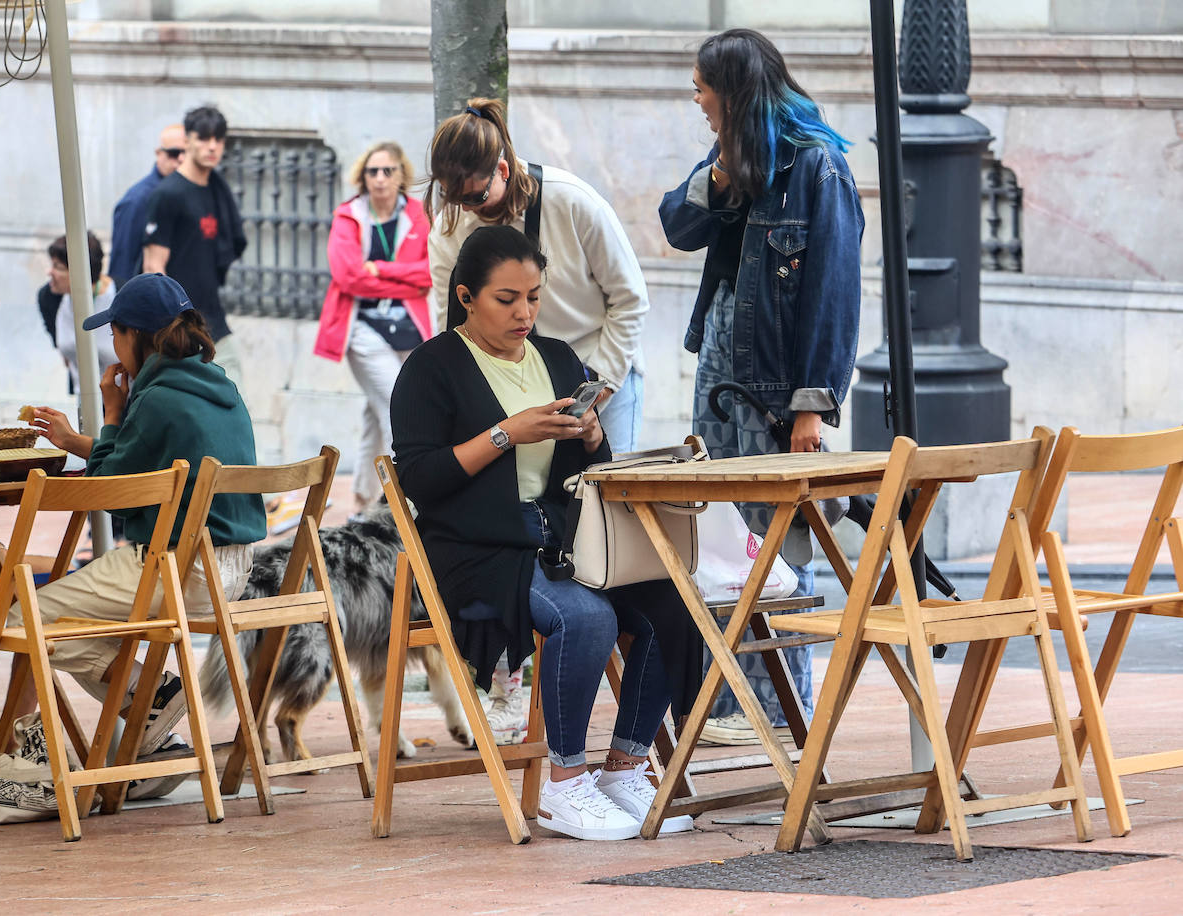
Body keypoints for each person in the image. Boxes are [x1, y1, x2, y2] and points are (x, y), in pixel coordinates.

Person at [390, 225, 701, 841]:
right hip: (477, 548)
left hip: (566, 539)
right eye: (507, 299)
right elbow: (421, 479)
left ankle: (625, 766)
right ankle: (564, 782)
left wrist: (590, 437)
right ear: (465, 297)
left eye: (533, 296)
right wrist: (509, 432)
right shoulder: (432, 368)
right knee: (586, 618)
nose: (524, 312)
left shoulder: (558, 358)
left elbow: (590, 473)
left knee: (679, 606)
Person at [659, 29, 863, 747]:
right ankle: (727, 704)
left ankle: (783, 706)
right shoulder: (734, 165)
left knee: (776, 545)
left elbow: (834, 297)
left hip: (776, 397)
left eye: (702, 86)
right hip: (718, 383)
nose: (697, 100)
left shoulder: (819, 169)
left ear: (733, 90)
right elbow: (675, 227)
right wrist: (716, 179)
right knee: (718, 538)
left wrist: (812, 404)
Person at [22, 272, 265, 798]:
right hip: (230, 570)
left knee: (25, 616)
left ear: (135, 335)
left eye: (114, 333)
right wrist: (81, 442)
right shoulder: (218, 386)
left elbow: (110, 492)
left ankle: (149, 691)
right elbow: (144, 468)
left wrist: (112, 414)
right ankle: (151, 744)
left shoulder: (153, 399)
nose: (112, 345)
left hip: (176, 566)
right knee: (82, 620)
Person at [425, 98, 650, 457]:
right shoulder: (450, 228)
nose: (463, 208)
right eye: (450, 196)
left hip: (601, 368)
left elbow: (630, 298)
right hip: (519, 392)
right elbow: (449, 322)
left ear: (502, 169)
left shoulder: (572, 201)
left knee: (610, 501)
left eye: (474, 196)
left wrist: (599, 385)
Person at [313, 141, 432, 519]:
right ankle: (407, 505)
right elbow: (348, 277)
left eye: (388, 171)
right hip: (361, 327)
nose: (380, 179)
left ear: (401, 176)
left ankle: (363, 501)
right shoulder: (349, 215)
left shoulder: (417, 214)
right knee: (398, 407)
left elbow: (430, 272)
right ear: (362, 177)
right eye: (372, 172)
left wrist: (381, 270)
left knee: (374, 413)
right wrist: (405, 282)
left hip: (411, 328)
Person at [142, 106, 247, 388]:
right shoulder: (168, 194)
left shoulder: (216, 189)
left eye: (218, 139)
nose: (212, 146)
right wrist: (173, 331)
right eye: (203, 138)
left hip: (213, 321)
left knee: (235, 401)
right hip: (181, 331)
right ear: (187, 140)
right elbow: (154, 267)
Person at [37, 231, 119, 395]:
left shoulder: (121, 296)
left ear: (80, 273)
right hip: (85, 399)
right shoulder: (49, 298)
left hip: (125, 401)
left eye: (58, 267)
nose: (49, 272)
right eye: (51, 264)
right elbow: (66, 354)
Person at [108, 123, 186, 288]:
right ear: (159, 154)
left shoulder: (186, 193)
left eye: (187, 153)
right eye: (174, 153)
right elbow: (123, 266)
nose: (181, 159)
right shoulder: (137, 200)